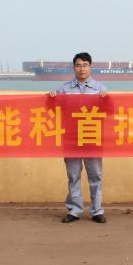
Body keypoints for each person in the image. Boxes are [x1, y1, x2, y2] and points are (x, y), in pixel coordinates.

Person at [49, 52, 107, 223]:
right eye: (79, 65)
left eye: (85, 65)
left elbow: (109, 111)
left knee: (95, 175)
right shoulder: (64, 89)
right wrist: (51, 99)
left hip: (92, 136)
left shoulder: (100, 88)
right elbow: (52, 110)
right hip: (71, 137)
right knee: (73, 175)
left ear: (90, 67)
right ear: (74, 67)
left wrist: (106, 100)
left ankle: (97, 211)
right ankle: (75, 210)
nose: (82, 69)